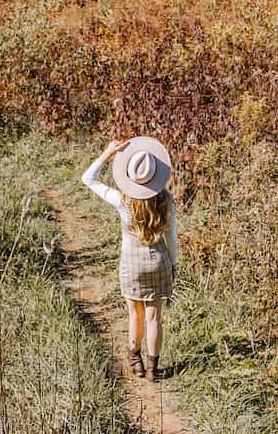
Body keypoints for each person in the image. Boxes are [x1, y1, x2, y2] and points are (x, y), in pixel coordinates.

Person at [81, 136, 178, 382]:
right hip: (159, 262)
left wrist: (107, 154)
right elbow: (172, 240)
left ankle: (135, 361)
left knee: (134, 314)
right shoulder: (166, 201)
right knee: (154, 317)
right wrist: (173, 265)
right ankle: (153, 369)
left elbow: (88, 179)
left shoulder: (123, 201)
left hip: (132, 266)